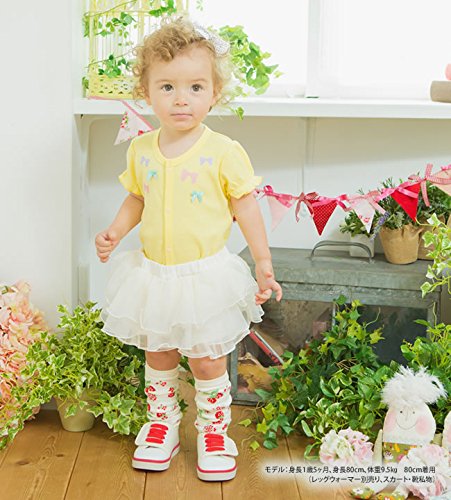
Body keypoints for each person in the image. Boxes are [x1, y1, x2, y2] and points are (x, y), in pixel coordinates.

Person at [95, 17, 282, 482]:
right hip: (154, 274)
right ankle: (162, 425)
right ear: (146, 92)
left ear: (214, 93)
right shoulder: (141, 149)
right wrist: (116, 231)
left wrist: (263, 261)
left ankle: (214, 431)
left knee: (206, 357)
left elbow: (246, 207)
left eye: (195, 87)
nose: (182, 99)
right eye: (168, 87)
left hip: (204, 277)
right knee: (159, 352)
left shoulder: (223, 151)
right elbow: (137, 197)